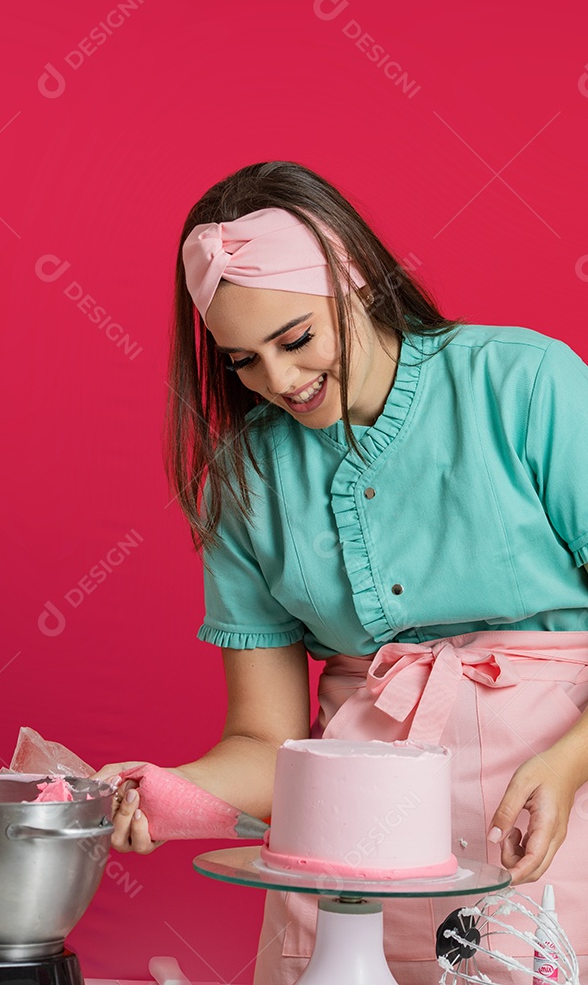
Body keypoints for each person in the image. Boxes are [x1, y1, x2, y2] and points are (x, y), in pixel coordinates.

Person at [97, 160, 588, 984]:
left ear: (355, 277)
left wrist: (569, 763)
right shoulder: (244, 475)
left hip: (555, 821)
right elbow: (265, 742)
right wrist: (169, 788)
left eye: (296, 340)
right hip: (349, 864)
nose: (280, 383)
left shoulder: (528, 385)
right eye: (243, 361)